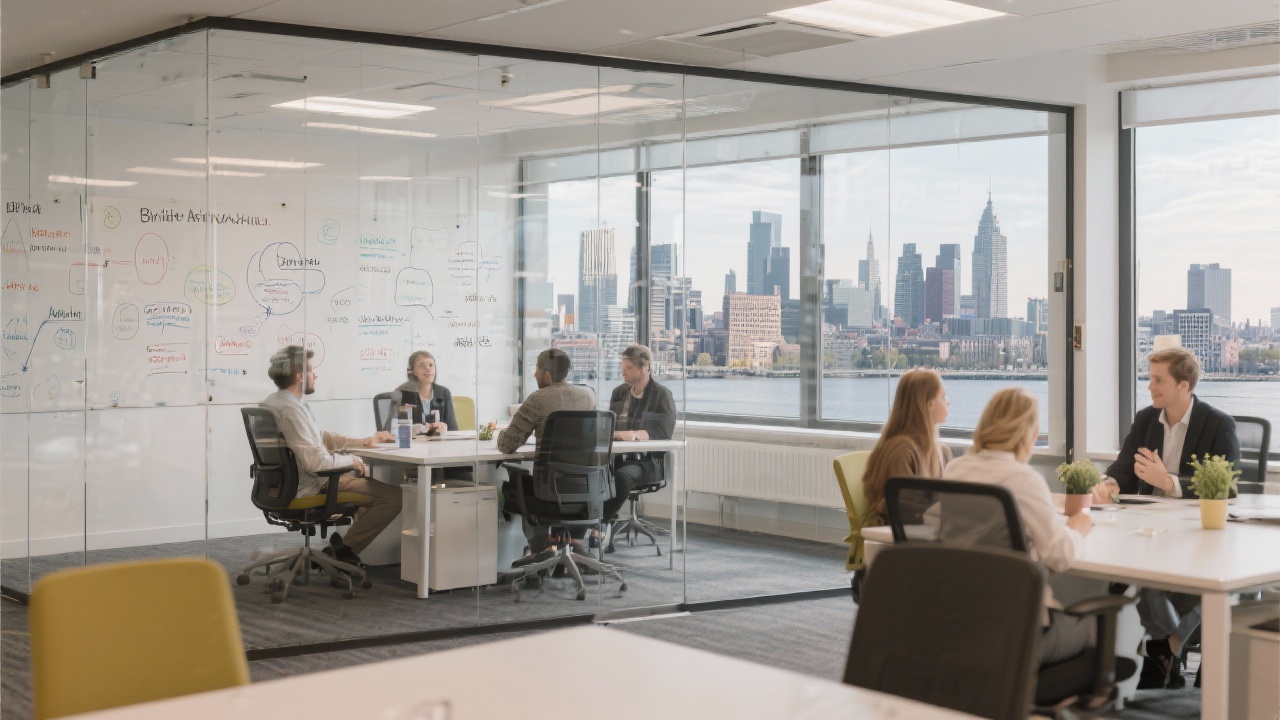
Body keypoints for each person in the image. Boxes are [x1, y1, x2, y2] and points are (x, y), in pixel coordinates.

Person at [1089, 347, 1240, 689]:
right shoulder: (1145, 420)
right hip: (1150, 527)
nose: (1150, 386)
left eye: (1159, 380)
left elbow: (1227, 487)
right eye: (1149, 378)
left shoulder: (1218, 425)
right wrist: (1108, 483)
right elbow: (1124, 468)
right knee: (1138, 575)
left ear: (1184, 386)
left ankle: (1163, 648)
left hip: (1195, 532)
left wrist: (1170, 483)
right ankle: (1167, 648)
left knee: (1213, 588)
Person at [942, 387, 1096, 669]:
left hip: (961, 624)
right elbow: (1060, 557)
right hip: (1020, 631)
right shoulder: (1023, 479)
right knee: (1104, 624)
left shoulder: (955, 469)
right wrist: (1078, 528)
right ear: (1028, 433)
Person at [262, 345, 402, 566]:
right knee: (393, 498)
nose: (315, 375)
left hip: (282, 485)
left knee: (368, 491)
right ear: (300, 376)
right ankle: (344, 550)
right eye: (310, 370)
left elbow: (321, 437)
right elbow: (316, 462)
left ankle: (341, 547)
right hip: (311, 486)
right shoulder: (292, 412)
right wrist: (353, 460)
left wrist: (362, 442)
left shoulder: (277, 402)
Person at [861, 368, 952, 529]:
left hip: (927, 531)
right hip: (903, 538)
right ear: (928, 404)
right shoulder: (901, 451)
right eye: (943, 397)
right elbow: (903, 510)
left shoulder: (941, 451)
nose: (948, 402)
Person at [607, 344, 676, 520]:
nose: (623, 373)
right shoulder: (619, 393)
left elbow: (663, 432)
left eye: (629, 368)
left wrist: (636, 435)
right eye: (622, 368)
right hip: (617, 458)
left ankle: (603, 520)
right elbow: (610, 426)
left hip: (647, 462)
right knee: (591, 472)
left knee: (623, 476)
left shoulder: (662, 395)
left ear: (644, 368)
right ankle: (592, 521)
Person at [497, 348, 596, 454]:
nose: (535, 375)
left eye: (537, 369)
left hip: (549, 470)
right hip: (583, 469)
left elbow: (507, 445)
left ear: (547, 375)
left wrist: (501, 434)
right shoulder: (587, 397)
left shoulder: (537, 399)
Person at [388, 350, 455, 435]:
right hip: (413, 446)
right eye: (422, 366)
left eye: (431, 365)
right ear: (414, 371)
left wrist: (445, 428)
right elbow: (391, 429)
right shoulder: (403, 394)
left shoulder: (443, 393)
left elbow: (453, 429)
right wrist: (413, 430)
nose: (428, 368)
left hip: (438, 445)